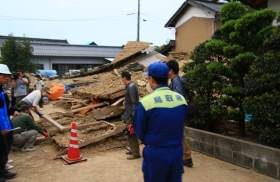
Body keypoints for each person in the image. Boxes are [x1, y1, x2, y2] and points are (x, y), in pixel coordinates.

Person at [135, 62, 188, 182]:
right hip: (176, 153)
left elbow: (140, 132)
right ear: (167, 78)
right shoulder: (181, 99)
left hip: (155, 154)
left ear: (151, 79)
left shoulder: (146, 102)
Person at [167, 59, 194, 168]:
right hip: (178, 112)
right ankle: (186, 157)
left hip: (178, 112)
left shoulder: (177, 82)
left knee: (178, 135)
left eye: (167, 70)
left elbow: (178, 99)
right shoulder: (173, 81)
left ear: (171, 70)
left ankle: (186, 157)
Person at [0, 64, 17, 182]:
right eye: (5, 76)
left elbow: (4, 109)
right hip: (1, 126)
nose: (7, 79)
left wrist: (12, 112)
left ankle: (3, 171)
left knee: (6, 148)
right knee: (1, 150)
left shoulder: (1, 89)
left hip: (6, 123)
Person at [121, 71, 140, 160]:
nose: (121, 80)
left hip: (131, 115)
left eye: (122, 78)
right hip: (129, 113)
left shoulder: (131, 87)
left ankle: (135, 153)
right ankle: (133, 149)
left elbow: (134, 103)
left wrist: (132, 116)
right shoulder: (130, 86)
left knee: (131, 133)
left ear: (124, 78)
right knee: (130, 133)